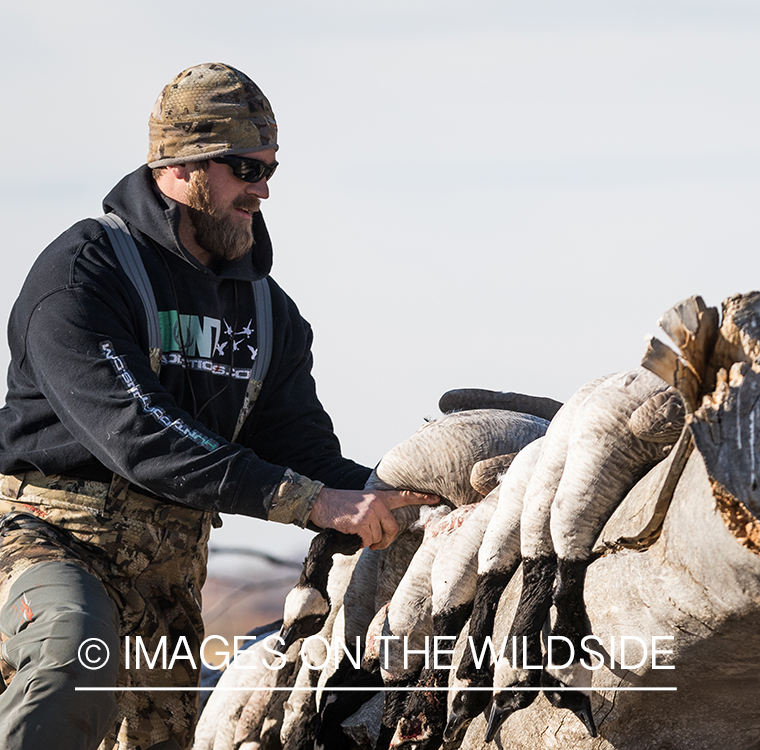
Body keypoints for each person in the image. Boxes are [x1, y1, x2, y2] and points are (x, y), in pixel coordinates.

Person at [0, 62, 436, 750]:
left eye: (270, 169)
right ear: (181, 163)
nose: (262, 190)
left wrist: (415, 501)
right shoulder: (81, 274)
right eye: (244, 167)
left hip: (173, 573)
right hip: (49, 541)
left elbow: (304, 451)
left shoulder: (270, 312)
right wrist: (309, 501)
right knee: (69, 657)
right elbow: (138, 434)